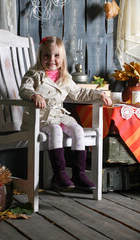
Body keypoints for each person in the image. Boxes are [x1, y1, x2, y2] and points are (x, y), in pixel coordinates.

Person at [19, 36, 112, 191]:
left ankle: (79, 174)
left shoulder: (65, 78)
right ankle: (59, 174)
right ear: (40, 56)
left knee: (77, 129)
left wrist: (98, 95)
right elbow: (24, 88)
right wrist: (34, 95)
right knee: (55, 130)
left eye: (56, 56)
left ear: (62, 58)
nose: (51, 60)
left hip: (59, 115)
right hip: (40, 118)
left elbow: (79, 92)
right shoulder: (34, 73)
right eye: (46, 55)